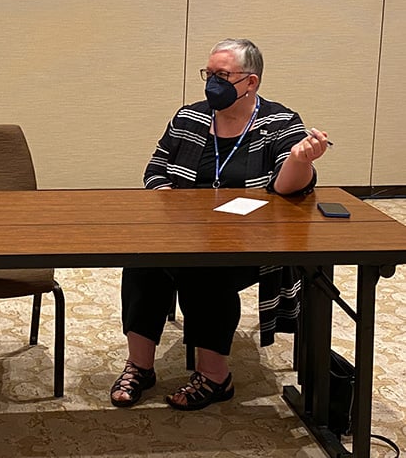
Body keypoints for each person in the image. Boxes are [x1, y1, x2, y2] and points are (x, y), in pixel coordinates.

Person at [110, 38, 330, 411]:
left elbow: (289, 187)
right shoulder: (189, 118)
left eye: (222, 75)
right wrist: (172, 212)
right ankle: (140, 367)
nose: (212, 82)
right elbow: (155, 171)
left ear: (251, 83)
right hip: (181, 232)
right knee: (142, 260)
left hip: (251, 241)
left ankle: (215, 376)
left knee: (204, 268)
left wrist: (300, 160)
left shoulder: (279, 122)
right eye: (209, 74)